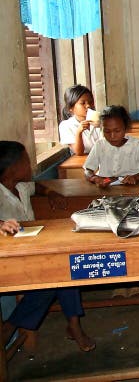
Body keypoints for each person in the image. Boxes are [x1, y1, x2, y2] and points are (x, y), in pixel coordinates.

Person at [0, 141, 95, 353]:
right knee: (55, 277)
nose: (29, 166)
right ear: (11, 168)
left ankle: (72, 326)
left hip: (35, 249)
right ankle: (17, 325)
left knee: (66, 267)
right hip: (10, 259)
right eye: (25, 162)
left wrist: (50, 193)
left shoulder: (22, 185)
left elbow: (39, 187)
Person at [84, 106, 139, 188]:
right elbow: (87, 170)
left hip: (131, 187)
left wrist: (136, 177)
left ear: (125, 128)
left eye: (117, 131)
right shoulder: (100, 145)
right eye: (107, 131)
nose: (112, 136)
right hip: (107, 187)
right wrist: (95, 178)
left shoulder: (136, 144)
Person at [58, 84, 102, 155]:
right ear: (71, 108)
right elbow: (79, 152)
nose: (88, 106)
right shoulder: (66, 126)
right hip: (82, 163)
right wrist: (79, 132)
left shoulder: (101, 120)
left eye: (91, 102)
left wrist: (104, 127)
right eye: (83, 103)